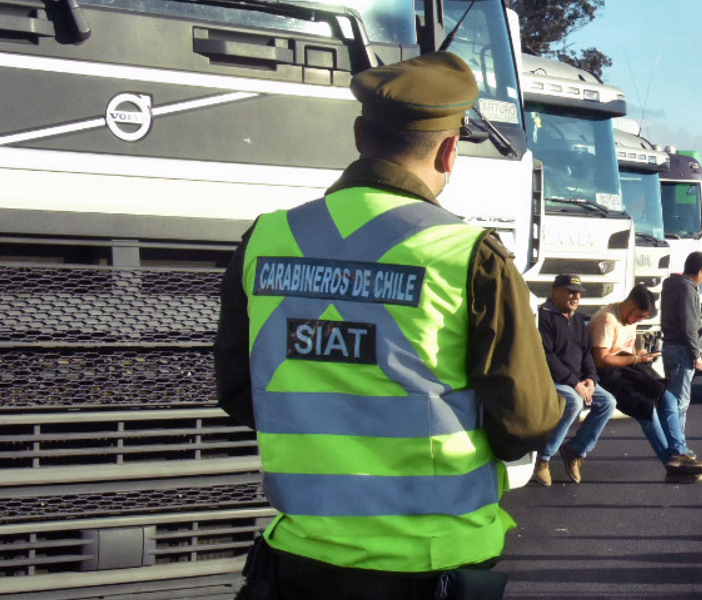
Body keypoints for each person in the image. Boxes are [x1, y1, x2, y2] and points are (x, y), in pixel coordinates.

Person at [213, 52, 563, 600]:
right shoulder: (466, 254)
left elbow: (240, 393)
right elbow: (527, 422)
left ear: (359, 134)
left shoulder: (268, 238)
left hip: (298, 562)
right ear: (450, 150)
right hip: (431, 565)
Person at [589, 285, 702, 484]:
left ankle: (679, 453)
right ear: (629, 305)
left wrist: (642, 353)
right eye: (639, 316)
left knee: (668, 397)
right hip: (610, 374)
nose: (639, 321)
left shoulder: (627, 316)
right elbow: (601, 360)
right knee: (646, 409)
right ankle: (672, 464)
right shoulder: (607, 320)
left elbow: (632, 344)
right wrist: (636, 359)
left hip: (630, 368)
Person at [533, 274, 617, 485]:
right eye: (570, 292)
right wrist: (574, 383)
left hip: (578, 380)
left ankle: (576, 450)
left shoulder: (579, 320)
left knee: (608, 402)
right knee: (574, 402)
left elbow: (587, 353)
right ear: (556, 292)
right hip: (552, 380)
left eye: (578, 293)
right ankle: (544, 458)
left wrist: (591, 379)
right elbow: (547, 355)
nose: (576, 297)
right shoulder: (543, 317)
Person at [661, 251, 702, 429]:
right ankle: (677, 446)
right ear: (700, 272)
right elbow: (689, 325)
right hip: (683, 349)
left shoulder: (671, 285)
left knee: (671, 398)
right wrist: (696, 354)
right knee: (681, 401)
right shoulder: (688, 289)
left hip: (669, 345)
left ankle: (672, 441)